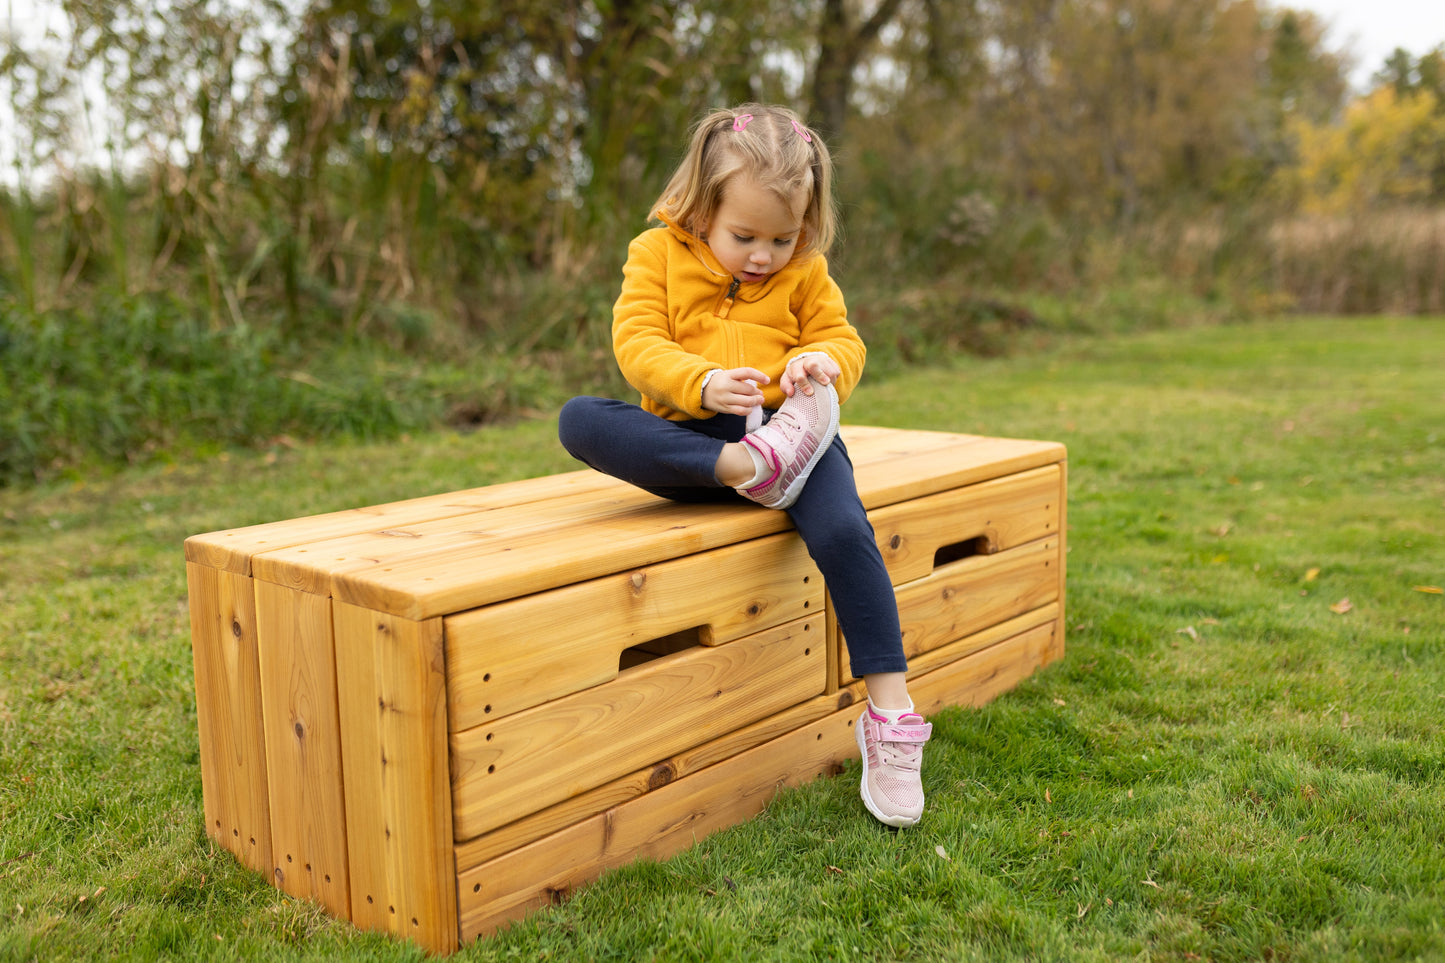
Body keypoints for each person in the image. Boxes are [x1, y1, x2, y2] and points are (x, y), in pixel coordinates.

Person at [558, 104, 932, 827]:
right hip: (696, 445)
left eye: (781, 238)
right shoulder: (655, 254)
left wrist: (818, 363)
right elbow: (636, 341)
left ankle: (890, 713)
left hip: (793, 434)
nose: (763, 255)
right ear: (702, 207)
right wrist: (697, 382)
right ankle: (741, 465)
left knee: (846, 534)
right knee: (580, 418)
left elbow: (839, 339)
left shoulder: (804, 272)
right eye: (744, 236)